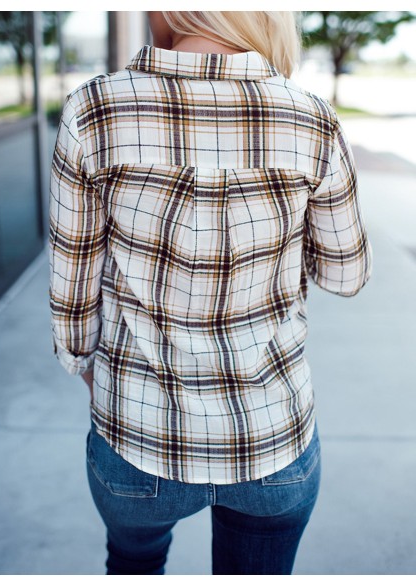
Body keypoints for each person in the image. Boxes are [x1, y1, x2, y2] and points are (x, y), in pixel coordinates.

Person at [48, 11, 373, 575]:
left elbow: (72, 298)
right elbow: (346, 275)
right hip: (272, 438)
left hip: (136, 440)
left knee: (133, 562)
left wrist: (88, 370)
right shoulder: (310, 118)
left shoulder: (93, 110)